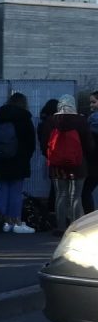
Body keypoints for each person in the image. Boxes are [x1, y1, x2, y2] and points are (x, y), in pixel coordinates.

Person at [0, 92, 37, 234]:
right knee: (16, 190)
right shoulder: (24, 118)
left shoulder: (0, 117)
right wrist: (26, 157)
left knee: (3, 188)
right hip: (18, 160)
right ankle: (16, 221)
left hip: (0, 159)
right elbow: (30, 142)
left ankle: (6, 221)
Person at [46, 94, 94, 234]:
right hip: (78, 164)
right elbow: (89, 144)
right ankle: (76, 228)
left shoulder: (51, 121)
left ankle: (61, 227)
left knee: (60, 194)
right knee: (76, 196)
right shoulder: (81, 120)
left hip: (56, 166)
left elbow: (45, 144)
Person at [84, 91, 98, 214]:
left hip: (93, 163)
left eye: (94, 102)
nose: (91, 105)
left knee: (85, 192)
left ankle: (89, 222)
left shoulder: (93, 120)